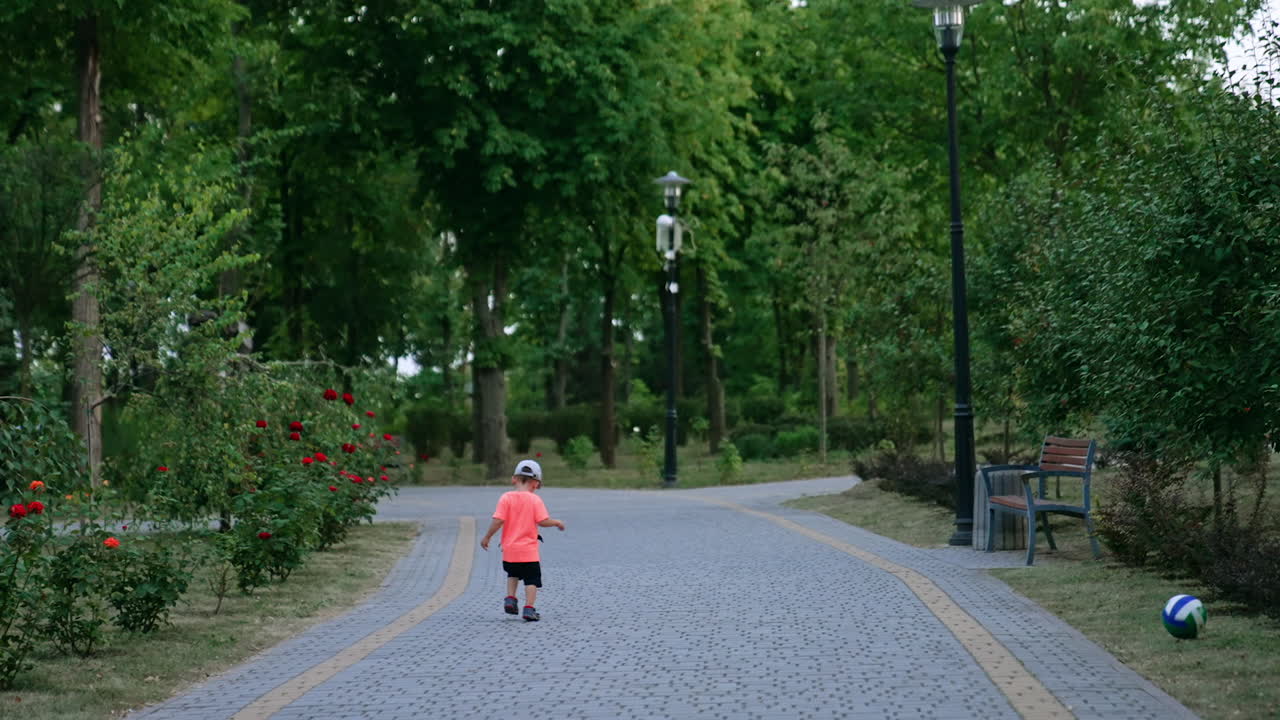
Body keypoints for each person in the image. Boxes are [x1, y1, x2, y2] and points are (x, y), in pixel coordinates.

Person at [480, 459, 565, 622]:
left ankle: (510, 599)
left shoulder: (505, 498)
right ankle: (529, 609)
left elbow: (498, 521)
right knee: (531, 580)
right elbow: (542, 521)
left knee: (512, 574)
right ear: (536, 484)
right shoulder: (535, 500)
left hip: (509, 551)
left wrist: (487, 537)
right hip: (528, 553)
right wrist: (557, 522)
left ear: (514, 479)